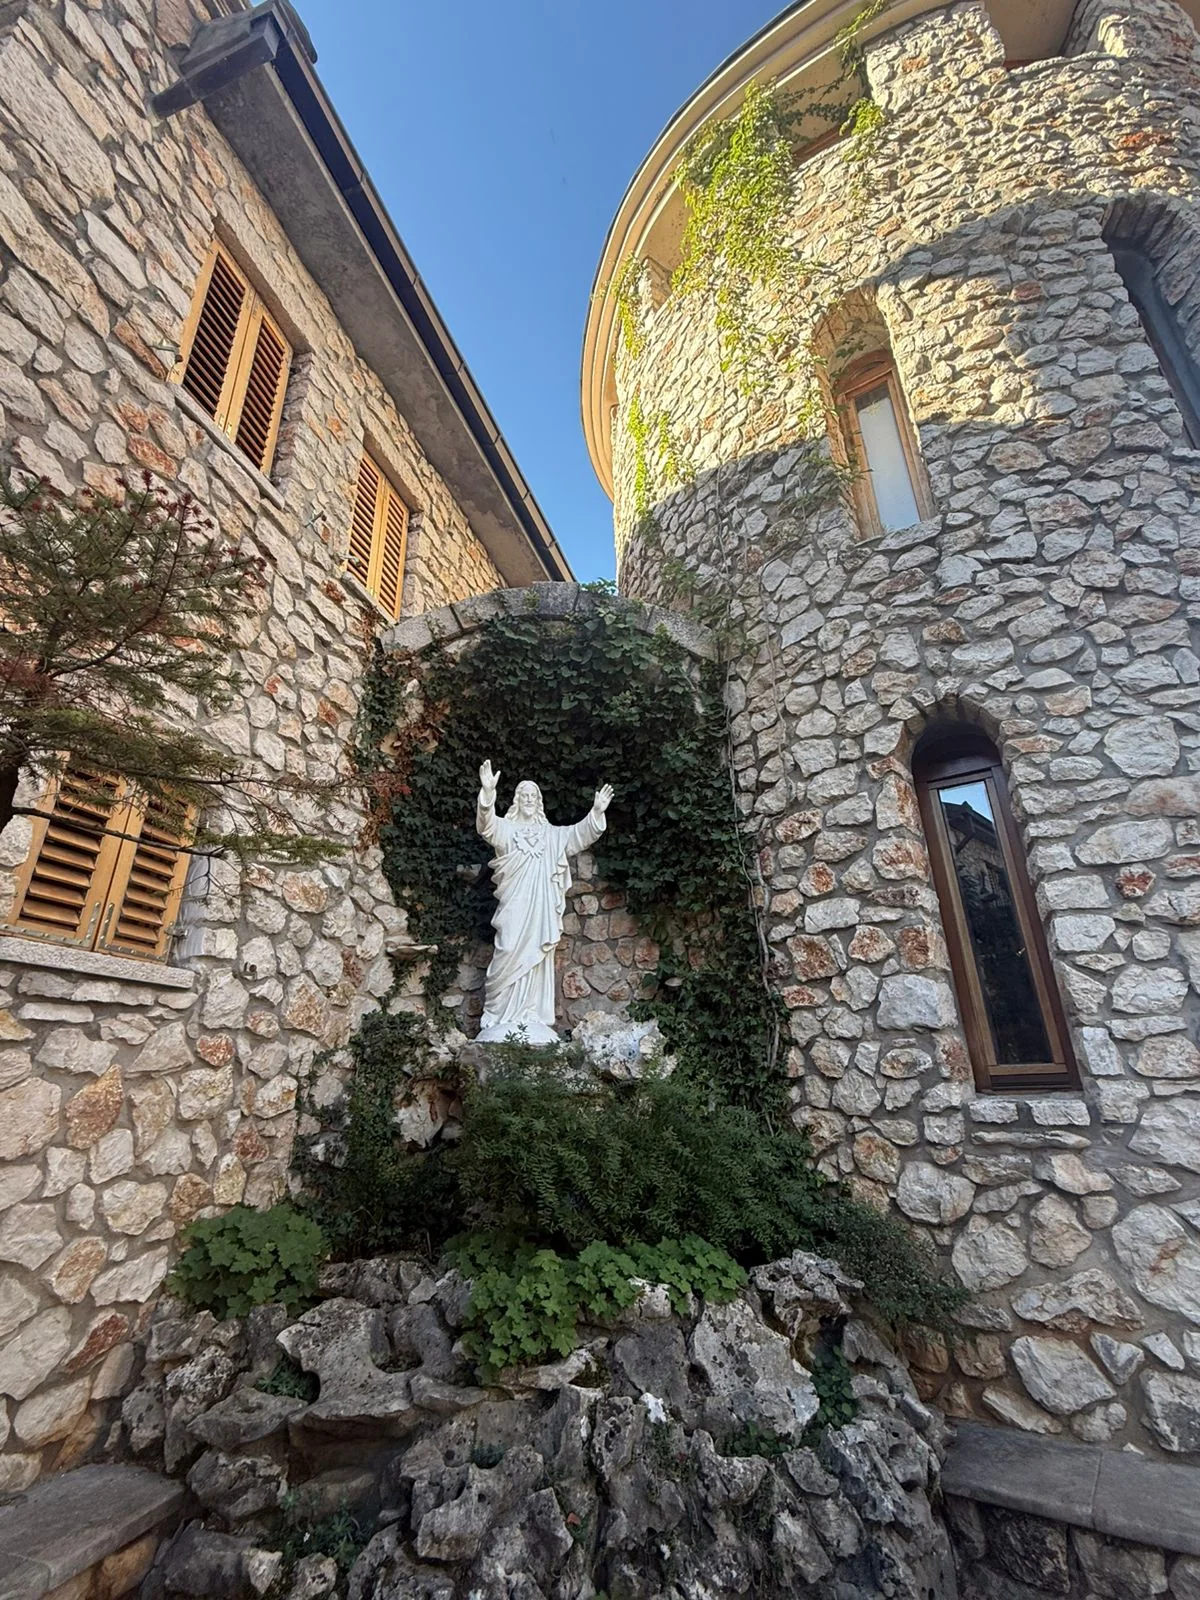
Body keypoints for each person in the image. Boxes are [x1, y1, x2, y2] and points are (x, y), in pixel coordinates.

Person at [475, 759, 614, 1043]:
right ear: (516, 800)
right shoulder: (508, 830)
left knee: (537, 956)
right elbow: (486, 826)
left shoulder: (550, 836)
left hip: (540, 909)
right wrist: (488, 794)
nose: (528, 800)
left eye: (532, 796)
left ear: (538, 802)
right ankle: (500, 1016)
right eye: (523, 795)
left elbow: (577, 835)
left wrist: (596, 812)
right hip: (514, 905)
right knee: (508, 946)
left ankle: (530, 1017)